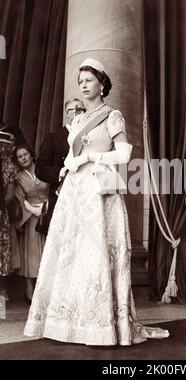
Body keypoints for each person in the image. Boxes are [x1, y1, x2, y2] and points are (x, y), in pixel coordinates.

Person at [24, 58, 169, 345]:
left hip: (100, 190)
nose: (83, 85)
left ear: (102, 83)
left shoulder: (113, 115)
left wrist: (91, 157)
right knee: (72, 254)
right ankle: (71, 323)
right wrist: (67, 166)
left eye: (88, 80)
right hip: (75, 192)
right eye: (80, 81)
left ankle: (101, 326)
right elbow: (69, 156)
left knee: (98, 252)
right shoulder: (76, 120)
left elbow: (125, 155)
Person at [35, 98, 85, 231]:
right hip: (60, 197)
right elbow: (40, 169)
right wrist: (60, 172)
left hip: (84, 196)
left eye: (82, 109)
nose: (79, 113)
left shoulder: (89, 137)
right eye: (76, 109)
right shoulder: (53, 137)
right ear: (67, 114)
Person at [13, 144, 49, 301]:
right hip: (31, 217)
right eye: (20, 157)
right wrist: (31, 209)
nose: (23, 158)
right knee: (31, 255)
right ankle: (30, 288)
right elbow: (19, 199)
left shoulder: (43, 169)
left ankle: (48, 290)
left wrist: (47, 206)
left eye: (25, 154)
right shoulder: (19, 177)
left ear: (31, 155)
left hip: (49, 212)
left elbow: (55, 188)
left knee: (49, 251)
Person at [0, 127, 18, 301]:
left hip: (0, 213)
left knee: (2, 249)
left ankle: (2, 290)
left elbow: (10, 195)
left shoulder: (8, 167)